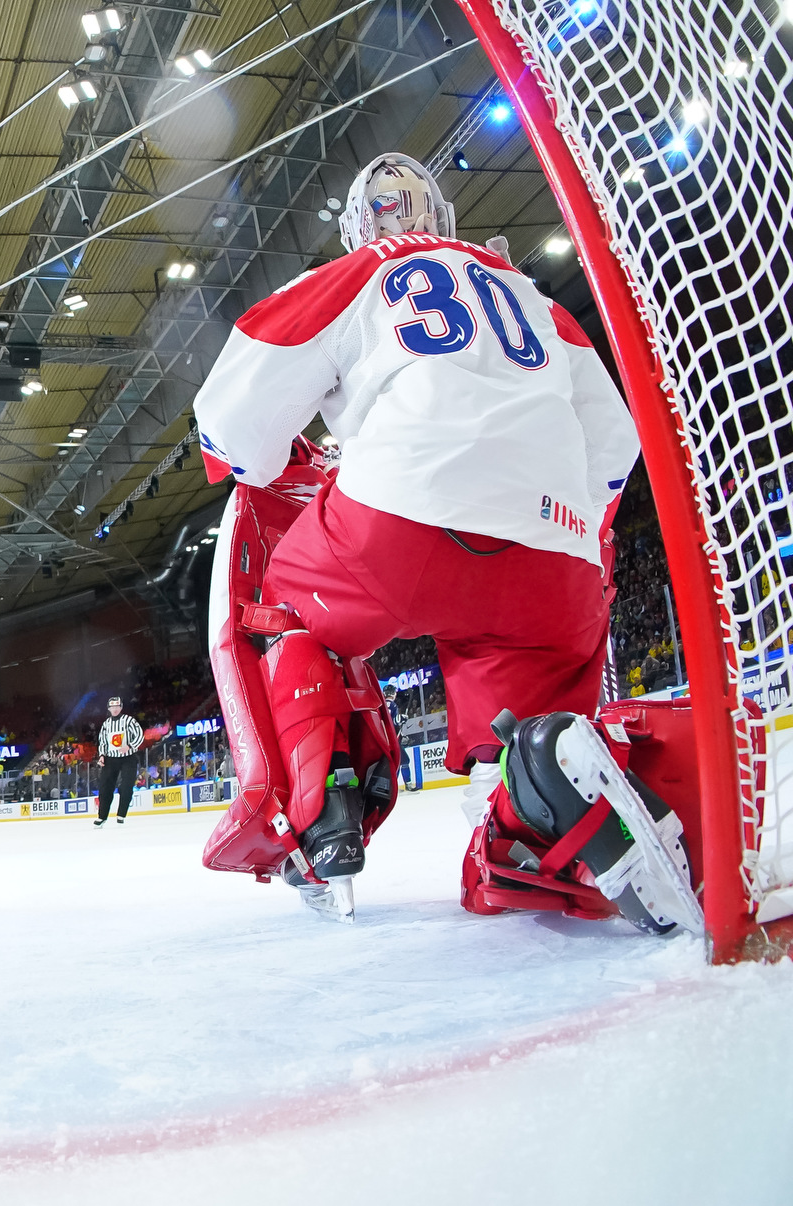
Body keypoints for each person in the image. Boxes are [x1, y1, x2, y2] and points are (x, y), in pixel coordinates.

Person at [193, 153, 691, 930]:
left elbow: (232, 427)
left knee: (284, 610)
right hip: (553, 553)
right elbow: (616, 442)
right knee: (521, 730)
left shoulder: (353, 274)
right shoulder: (528, 294)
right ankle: (533, 815)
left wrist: (283, 458)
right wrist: (552, 516)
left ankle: (326, 810)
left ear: (358, 228)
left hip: (401, 517)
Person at [93, 696, 143, 827]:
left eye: (117, 706)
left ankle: (121, 814)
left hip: (128, 757)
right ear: (109, 709)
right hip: (110, 758)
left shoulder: (129, 720)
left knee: (126, 786)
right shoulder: (106, 724)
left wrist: (130, 746)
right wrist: (102, 755)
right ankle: (102, 816)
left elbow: (139, 735)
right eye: (112, 707)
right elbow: (103, 741)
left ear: (121, 707)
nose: (115, 709)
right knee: (105, 787)